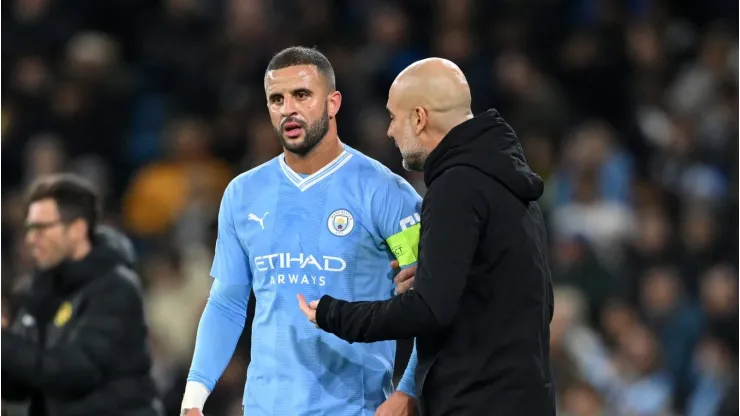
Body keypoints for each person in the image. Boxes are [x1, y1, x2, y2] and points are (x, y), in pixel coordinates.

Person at [298, 58, 556, 415]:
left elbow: (429, 311)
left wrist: (332, 313)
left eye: (392, 117)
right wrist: (440, 277)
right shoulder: (507, 179)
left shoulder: (456, 186)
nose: (389, 131)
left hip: (479, 401)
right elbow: (534, 297)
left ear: (419, 118)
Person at [180, 46, 423, 416]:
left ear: (333, 103)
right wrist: (194, 398)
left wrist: (407, 390)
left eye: (302, 95)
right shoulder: (243, 194)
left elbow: (433, 299)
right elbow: (227, 303)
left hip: (355, 408)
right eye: (276, 99)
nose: (287, 109)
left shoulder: (386, 192)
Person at [1, 173, 161, 416]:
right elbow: (23, 385)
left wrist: (5, 343)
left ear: (76, 230)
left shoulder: (115, 289)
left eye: (41, 228)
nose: (31, 239)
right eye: (29, 229)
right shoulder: (39, 292)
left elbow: (75, 373)